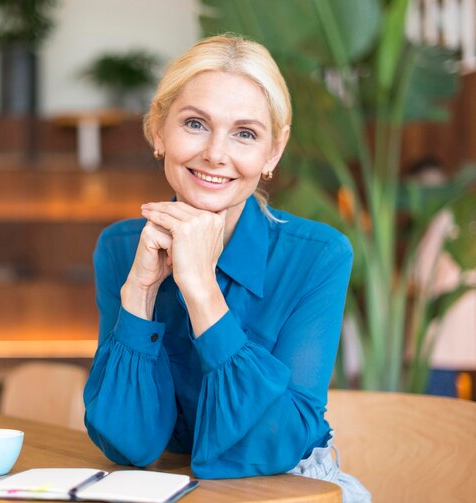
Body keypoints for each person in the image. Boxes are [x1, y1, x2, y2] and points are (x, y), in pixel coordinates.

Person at [84, 35, 371, 501]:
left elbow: (275, 444)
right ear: (159, 130)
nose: (216, 154)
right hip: (170, 487)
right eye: (195, 123)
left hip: (291, 489)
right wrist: (138, 293)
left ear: (272, 152)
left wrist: (200, 290)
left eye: (245, 133)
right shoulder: (121, 248)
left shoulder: (318, 255)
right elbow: (126, 443)